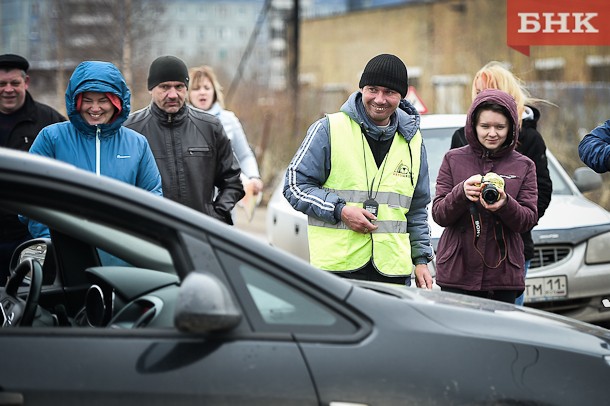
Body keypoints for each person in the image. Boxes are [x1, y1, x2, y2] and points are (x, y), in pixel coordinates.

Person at [284, 53, 434, 288]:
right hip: (337, 272)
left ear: (401, 97)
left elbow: (416, 209)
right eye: (373, 89)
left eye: (390, 92)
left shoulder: (413, 142)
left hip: (393, 273)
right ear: (362, 88)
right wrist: (340, 210)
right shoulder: (328, 129)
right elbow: (294, 185)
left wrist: (421, 259)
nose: (380, 99)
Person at [450, 61, 552, 306]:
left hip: (512, 249)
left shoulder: (529, 138)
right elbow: (447, 198)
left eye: (489, 91)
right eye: (478, 93)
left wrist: (512, 213)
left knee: (509, 328)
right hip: (467, 250)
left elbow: (542, 193)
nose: (483, 98)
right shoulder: (461, 138)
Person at [27, 60, 162, 238]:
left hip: (122, 254)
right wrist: (53, 242)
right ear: (76, 101)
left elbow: (153, 197)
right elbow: (31, 196)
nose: (95, 108)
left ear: (117, 103)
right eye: (87, 100)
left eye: (103, 100)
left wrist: (134, 243)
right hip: (67, 254)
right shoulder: (52, 138)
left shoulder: (137, 143)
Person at [432, 89, 538, 304]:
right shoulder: (453, 159)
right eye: (485, 126)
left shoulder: (524, 165)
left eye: (500, 127)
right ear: (473, 126)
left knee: (499, 337)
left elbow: (527, 220)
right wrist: (461, 193)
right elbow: (439, 214)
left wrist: (505, 203)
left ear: (511, 129)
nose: (492, 133)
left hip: (503, 275)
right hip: (457, 272)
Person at [124, 56, 244, 225]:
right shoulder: (130, 129)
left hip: (200, 235)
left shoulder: (210, 127)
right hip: (149, 238)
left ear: (186, 88)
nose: (173, 94)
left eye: (179, 87)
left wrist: (216, 216)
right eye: (165, 87)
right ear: (151, 88)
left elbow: (232, 182)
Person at [0, 53, 66, 282]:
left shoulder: (49, 121)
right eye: (1, 84)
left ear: (25, 82)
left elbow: (69, 170)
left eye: (14, 83)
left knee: (30, 295)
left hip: (31, 234)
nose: (8, 89)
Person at [187, 65, 263, 196]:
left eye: (206, 88)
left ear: (214, 91)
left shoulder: (229, 119)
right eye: (196, 88)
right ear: (188, 93)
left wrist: (253, 177)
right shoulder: (181, 122)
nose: (202, 92)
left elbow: (244, 155)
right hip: (191, 199)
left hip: (224, 202)